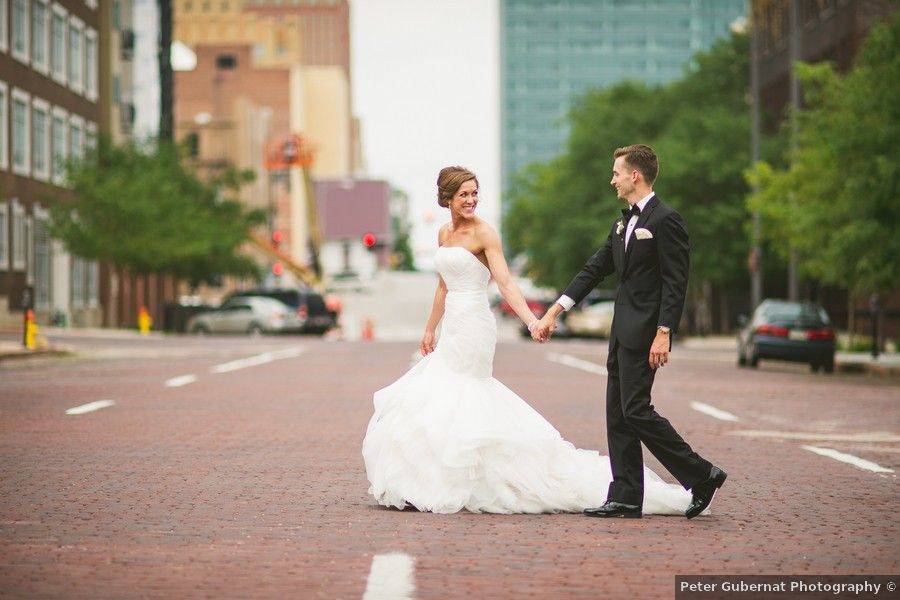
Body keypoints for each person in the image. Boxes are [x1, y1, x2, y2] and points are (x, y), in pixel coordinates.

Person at [361, 165, 704, 516]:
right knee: (442, 391)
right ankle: (438, 476)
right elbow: (442, 286)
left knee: (464, 389)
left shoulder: (485, 234)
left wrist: (532, 322)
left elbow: (506, 282)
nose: (471, 199)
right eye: (464, 194)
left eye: (474, 192)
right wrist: (430, 328)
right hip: (453, 322)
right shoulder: (443, 233)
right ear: (447, 197)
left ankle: (676, 480)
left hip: (476, 324)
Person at [533, 145, 726, 519]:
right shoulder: (622, 223)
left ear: (634, 175)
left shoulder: (667, 219)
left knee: (636, 410)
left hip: (646, 332)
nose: (612, 180)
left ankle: (702, 474)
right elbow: (593, 269)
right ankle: (625, 496)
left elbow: (676, 281)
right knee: (618, 413)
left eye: (616, 173)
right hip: (620, 332)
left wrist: (664, 331)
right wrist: (555, 311)